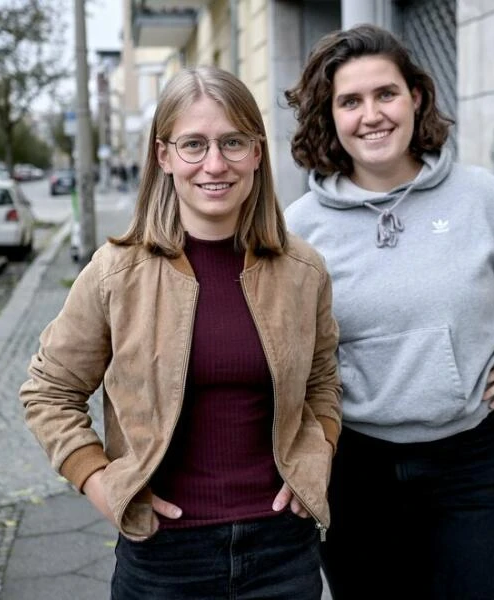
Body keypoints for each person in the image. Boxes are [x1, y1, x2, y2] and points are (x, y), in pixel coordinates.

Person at [284, 24, 494, 600]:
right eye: (349, 101)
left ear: (416, 97)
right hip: (353, 468)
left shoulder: (485, 199)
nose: (371, 114)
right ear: (330, 117)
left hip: (472, 465)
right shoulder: (298, 228)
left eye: (386, 94)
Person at [20, 65, 341, 600]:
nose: (214, 164)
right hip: (162, 558)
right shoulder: (116, 272)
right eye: (193, 144)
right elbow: (49, 391)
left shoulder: (302, 270)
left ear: (257, 153)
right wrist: (102, 485)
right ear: (163, 156)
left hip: (282, 552)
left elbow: (324, 380)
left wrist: (319, 455)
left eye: (233, 142)